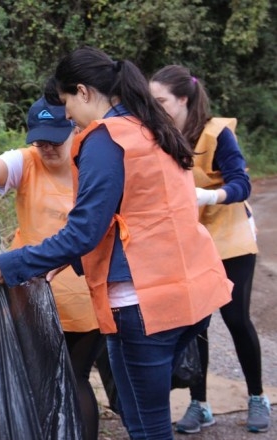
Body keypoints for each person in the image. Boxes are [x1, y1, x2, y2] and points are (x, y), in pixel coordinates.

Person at [0, 46, 233, 439]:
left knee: (147, 427)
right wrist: (62, 263)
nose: (70, 119)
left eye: (66, 105)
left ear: (83, 92)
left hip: (143, 304)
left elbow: (85, 230)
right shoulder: (149, 126)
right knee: (145, 415)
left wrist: (14, 263)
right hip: (192, 295)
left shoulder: (105, 137)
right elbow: (134, 216)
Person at [0, 94, 114, 440]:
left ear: (73, 127)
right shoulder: (26, 162)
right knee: (38, 374)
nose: (46, 148)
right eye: (39, 140)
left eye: (54, 139)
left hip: (85, 297)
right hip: (30, 294)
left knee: (75, 376)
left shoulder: (94, 164)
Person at [150, 64, 270, 434]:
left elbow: (241, 183)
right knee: (195, 324)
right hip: (190, 242)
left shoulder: (217, 134)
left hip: (230, 239)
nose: (155, 107)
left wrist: (210, 195)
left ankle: (257, 398)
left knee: (235, 320)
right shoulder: (160, 134)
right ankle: (199, 405)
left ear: (183, 99)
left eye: (161, 101)